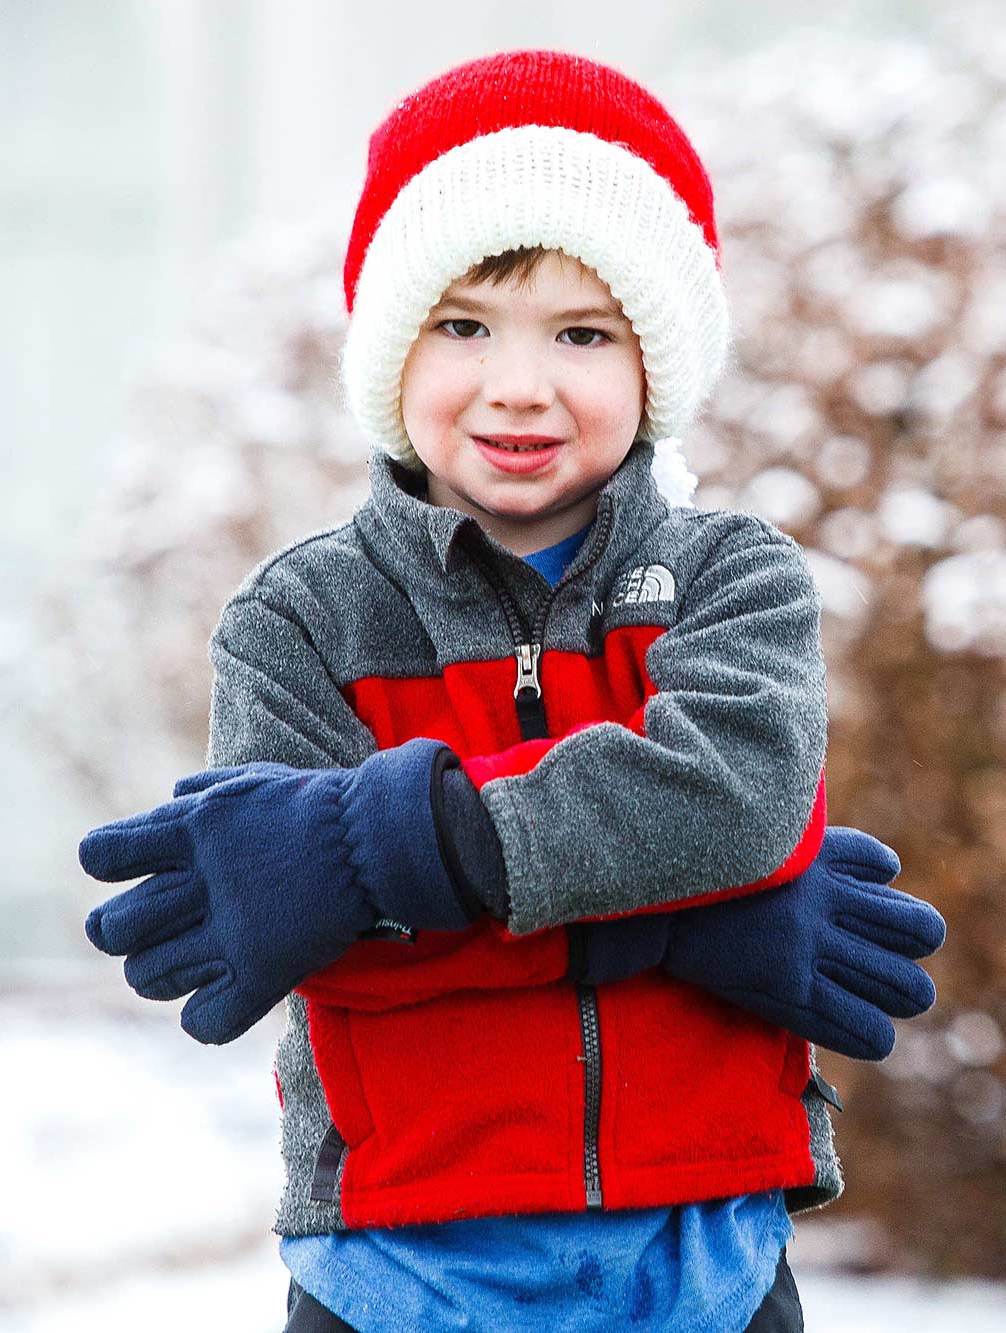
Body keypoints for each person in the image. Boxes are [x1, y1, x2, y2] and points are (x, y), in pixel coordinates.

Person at [76, 49, 946, 1332]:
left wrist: (399, 844)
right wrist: (683, 925)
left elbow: (736, 802)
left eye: (583, 332)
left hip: (701, 1259)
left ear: (655, 366)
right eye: (464, 324)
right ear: (391, 350)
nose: (520, 383)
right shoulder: (301, 622)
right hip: (399, 1272)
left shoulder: (731, 577)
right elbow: (322, 943)